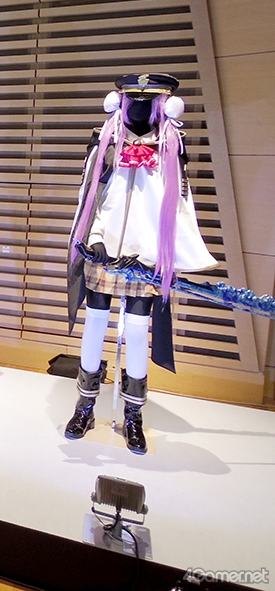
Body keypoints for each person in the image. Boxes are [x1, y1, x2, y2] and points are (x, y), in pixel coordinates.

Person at [64, 73, 217, 454]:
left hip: (146, 257)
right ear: (120, 102)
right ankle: (85, 405)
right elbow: (91, 197)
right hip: (103, 249)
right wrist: (94, 237)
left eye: (149, 101)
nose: (140, 107)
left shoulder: (171, 146)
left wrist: (163, 255)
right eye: (133, 99)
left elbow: (178, 207)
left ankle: (133, 415)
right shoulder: (105, 141)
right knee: (95, 324)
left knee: (136, 330)